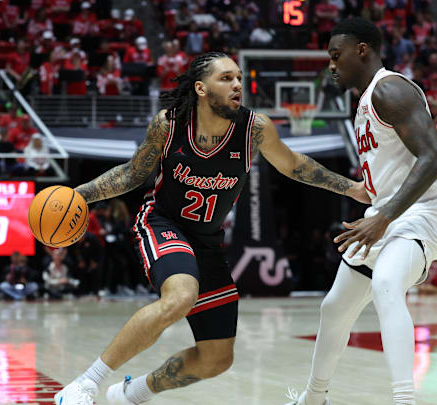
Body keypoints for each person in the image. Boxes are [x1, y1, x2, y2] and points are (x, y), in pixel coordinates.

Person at [54, 51, 369, 405]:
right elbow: (132, 173)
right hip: (163, 222)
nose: (237, 84)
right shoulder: (169, 124)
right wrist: (78, 196)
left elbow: (294, 165)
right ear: (201, 89)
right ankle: (84, 384)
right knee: (181, 295)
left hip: (208, 241)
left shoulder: (254, 129)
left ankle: (130, 393)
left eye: (238, 78)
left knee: (217, 359)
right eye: (226, 78)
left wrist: (351, 187)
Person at [287, 18, 437, 405]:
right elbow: (386, 183)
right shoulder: (365, 103)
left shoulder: (390, 90)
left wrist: (396, 222)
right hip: (393, 215)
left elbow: (433, 159)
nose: (331, 65)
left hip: (424, 211)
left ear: (361, 50)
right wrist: (377, 210)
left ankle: (404, 400)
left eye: (337, 56)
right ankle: (313, 399)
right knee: (334, 308)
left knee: (385, 283)